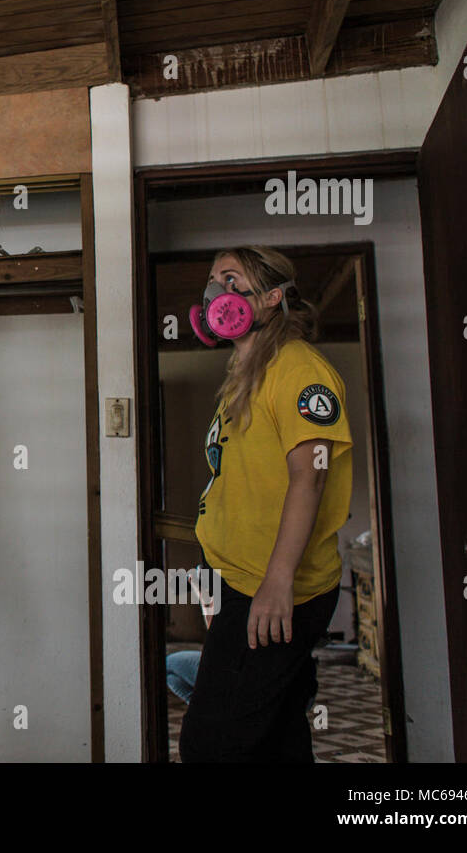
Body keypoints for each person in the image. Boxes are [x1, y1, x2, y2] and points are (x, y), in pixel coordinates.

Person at [178, 245, 352, 763]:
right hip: (242, 582)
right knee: (276, 736)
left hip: (274, 590)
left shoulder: (299, 370)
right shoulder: (248, 374)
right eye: (213, 281)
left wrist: (277, 584)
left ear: (273, 298)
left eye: (233, 282)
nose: (216, 294)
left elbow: (310, 479)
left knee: (209, 743)